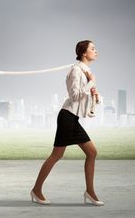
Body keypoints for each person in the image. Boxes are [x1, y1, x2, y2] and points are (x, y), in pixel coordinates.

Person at [30, 40, 104, 206]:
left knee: (89, 153)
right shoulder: (76, 70)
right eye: (93, 48)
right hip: (67, 117)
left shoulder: (86, 72)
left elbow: (84, 99)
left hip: (72, 118)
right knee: (60, 155)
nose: (96, 51)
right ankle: (36, 190)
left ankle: (89, 192)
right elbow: (75, 96)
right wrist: (92, 82)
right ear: (84, 53)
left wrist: (95, 95)